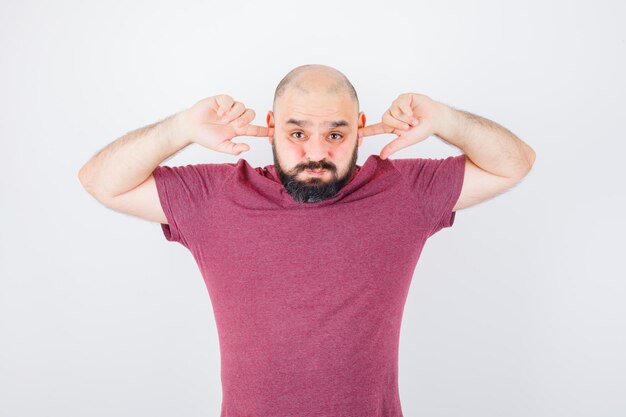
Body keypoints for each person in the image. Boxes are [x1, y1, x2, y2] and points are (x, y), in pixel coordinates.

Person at [78, 64, 536, 417]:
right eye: (297, 133)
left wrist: (444, 118)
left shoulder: (401, 189)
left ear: (360, 127)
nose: (316, 153)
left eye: (335, 134)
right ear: (272, 126)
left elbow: (513, 163)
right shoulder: (216, 196)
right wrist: (180, 128)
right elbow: (101, 181)